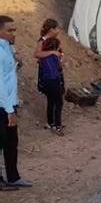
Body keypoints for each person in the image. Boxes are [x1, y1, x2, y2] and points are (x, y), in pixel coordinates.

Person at [0, 16, 32, 188]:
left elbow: (9, 75)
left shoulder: (7, 48)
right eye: (9, 30)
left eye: (14, 30)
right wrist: (8, 110)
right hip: (2, 105)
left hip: (9, 103)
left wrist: (17, 60)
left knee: (12, 142)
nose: (14, 33)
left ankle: (13, 177)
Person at [40, 37, 65, 135]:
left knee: (50, 102)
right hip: (54, 80)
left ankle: (50, 123)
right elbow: (59, 68)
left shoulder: (44, 56)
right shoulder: (54, 56)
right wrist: (61, 59)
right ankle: (58, 126)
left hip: (46, 81)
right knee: (58, 103)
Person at [34, 19, 62, 94]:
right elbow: (37, 54)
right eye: (57, 29)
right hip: (47, 71)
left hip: (55, 69)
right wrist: (52, 52)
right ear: (51, 30)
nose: (58, 31)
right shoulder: (42, 41)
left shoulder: (55, 40)